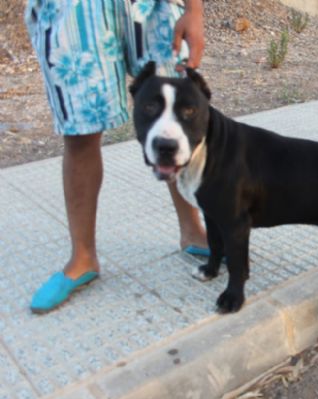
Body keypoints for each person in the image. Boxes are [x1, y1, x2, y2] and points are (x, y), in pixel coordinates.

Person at [24, 0, 208, 313]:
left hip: (155, 7)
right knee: (79, 131)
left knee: (176, 114)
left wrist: (194, 10)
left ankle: (194, 232)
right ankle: (82, 257)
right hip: (72, 11)